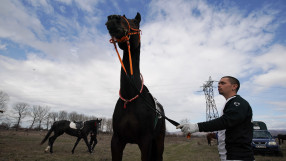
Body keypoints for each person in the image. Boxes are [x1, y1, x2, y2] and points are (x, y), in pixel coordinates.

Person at [177, 76, 254, 161]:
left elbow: (225, 121)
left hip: (238, 157)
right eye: (218, 83)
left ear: (234, 86)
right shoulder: (230, 103)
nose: (219, 85)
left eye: (223, 83)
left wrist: (196, 127)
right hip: (229, 156)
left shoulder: (238, 102)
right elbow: (225, 131)